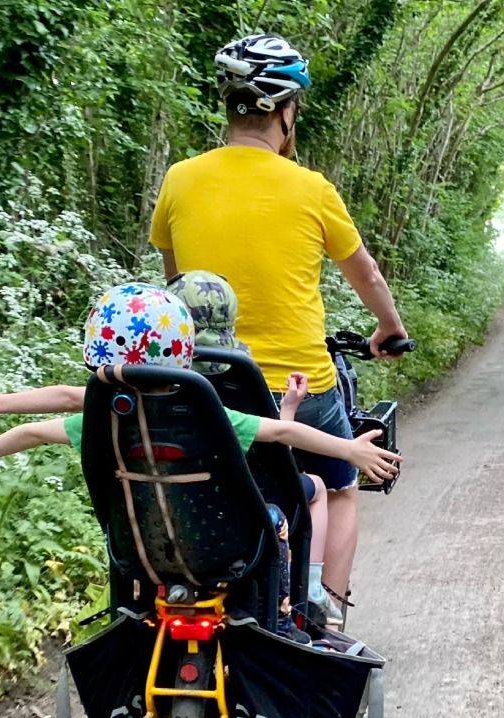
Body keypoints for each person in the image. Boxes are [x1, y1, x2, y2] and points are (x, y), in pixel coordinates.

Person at [0, 283, 398, 633]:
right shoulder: (208, 414)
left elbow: (39, 424)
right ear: (186, 347)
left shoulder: (104, 420)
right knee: (302, 499)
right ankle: (294, 606)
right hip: (227, 543)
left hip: (142, 549)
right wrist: (350, 449)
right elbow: (280, 431)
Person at [148, 33, 407, 612]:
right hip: (299, 382)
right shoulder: (310, 187)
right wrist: (388, 328)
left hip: (202, 382)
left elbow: (176, 285)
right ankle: (324, 612)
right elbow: (363, 272)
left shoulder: (180, 179)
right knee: (341, 486)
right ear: (286, 111)